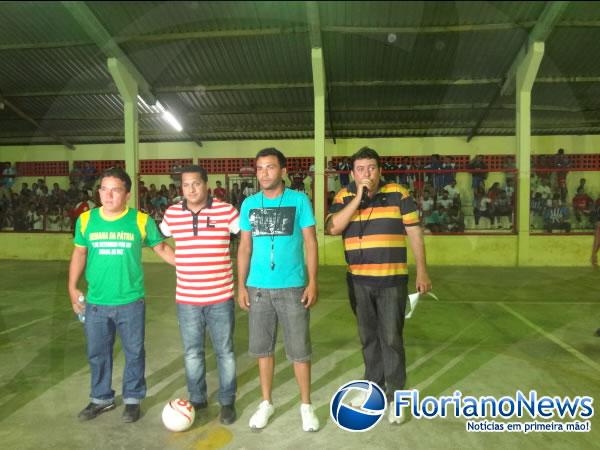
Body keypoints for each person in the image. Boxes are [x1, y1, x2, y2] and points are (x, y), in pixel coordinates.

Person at [326, 146, 431, 424]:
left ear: (380, 170)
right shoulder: (344, 195)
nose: (366, 173)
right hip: (358, 282)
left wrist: (422, 270)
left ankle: (396, 396)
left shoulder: (399, 193)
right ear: (352, 173)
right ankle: (374, 390)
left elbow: (414, 233)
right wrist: (358, 197)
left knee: (391, 338)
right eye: (360, 169)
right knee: (369, 339)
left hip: (392, 280)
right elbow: (333, 227)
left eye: (371, 168)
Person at [68, 167, 174, 423]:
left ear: (127, 194)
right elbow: (79, 254)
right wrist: (72, 287)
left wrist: (193, 265)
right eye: (104, 189)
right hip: (96, 303)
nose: (108, 195)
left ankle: (133, 399)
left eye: (115, 190)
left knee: (134, 352)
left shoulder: (140, 220)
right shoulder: (85, 220)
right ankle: (101, 399)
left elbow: (161, 248)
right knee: (97, 353)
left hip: (131, 301)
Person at [237, 148, 319, 432]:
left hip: (292, 287)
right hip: (258, 288)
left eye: (270, 167)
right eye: (259, 168)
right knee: (263, 350)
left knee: (299, 350)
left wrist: (312, 281)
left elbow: (310, 242)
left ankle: (306, 405)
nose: (264, 173)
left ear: (283, 171)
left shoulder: (298, 200)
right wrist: (242, 285)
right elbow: (244, 246)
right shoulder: (249, 204)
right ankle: (266, 402)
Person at [159, 165, 239, 425]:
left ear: (206, 185)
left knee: (224, 352)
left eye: (195, 183)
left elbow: (247, 239)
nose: (191, 189)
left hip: (221, 297)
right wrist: (178, 262)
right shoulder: (172, 214)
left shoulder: (227, 211)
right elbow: (156, 241)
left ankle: (227, 402)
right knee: (192, 352)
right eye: (185, 185)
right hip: (187, 299)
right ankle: (197, 398)